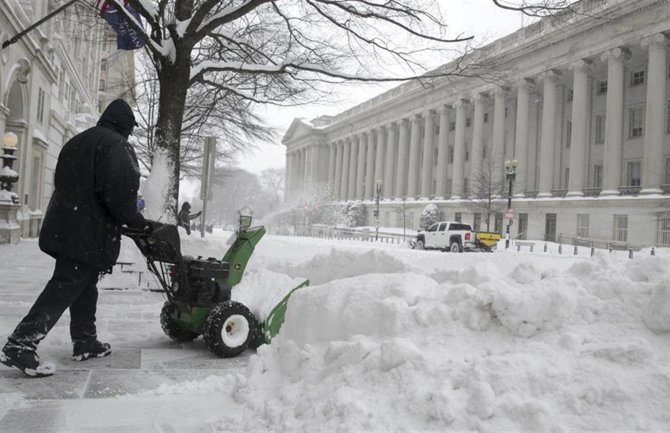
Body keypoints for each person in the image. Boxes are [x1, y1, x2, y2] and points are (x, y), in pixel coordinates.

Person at [0, 99, 147, 377]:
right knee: (67, 284)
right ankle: (22, 342)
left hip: (65, 224)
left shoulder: (77, 141)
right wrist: (136, 219)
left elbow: (64, 182)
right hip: (87, 232)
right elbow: (120, 193)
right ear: (125, 124)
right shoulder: (116, 146)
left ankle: (85, 340)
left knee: (84, 282)